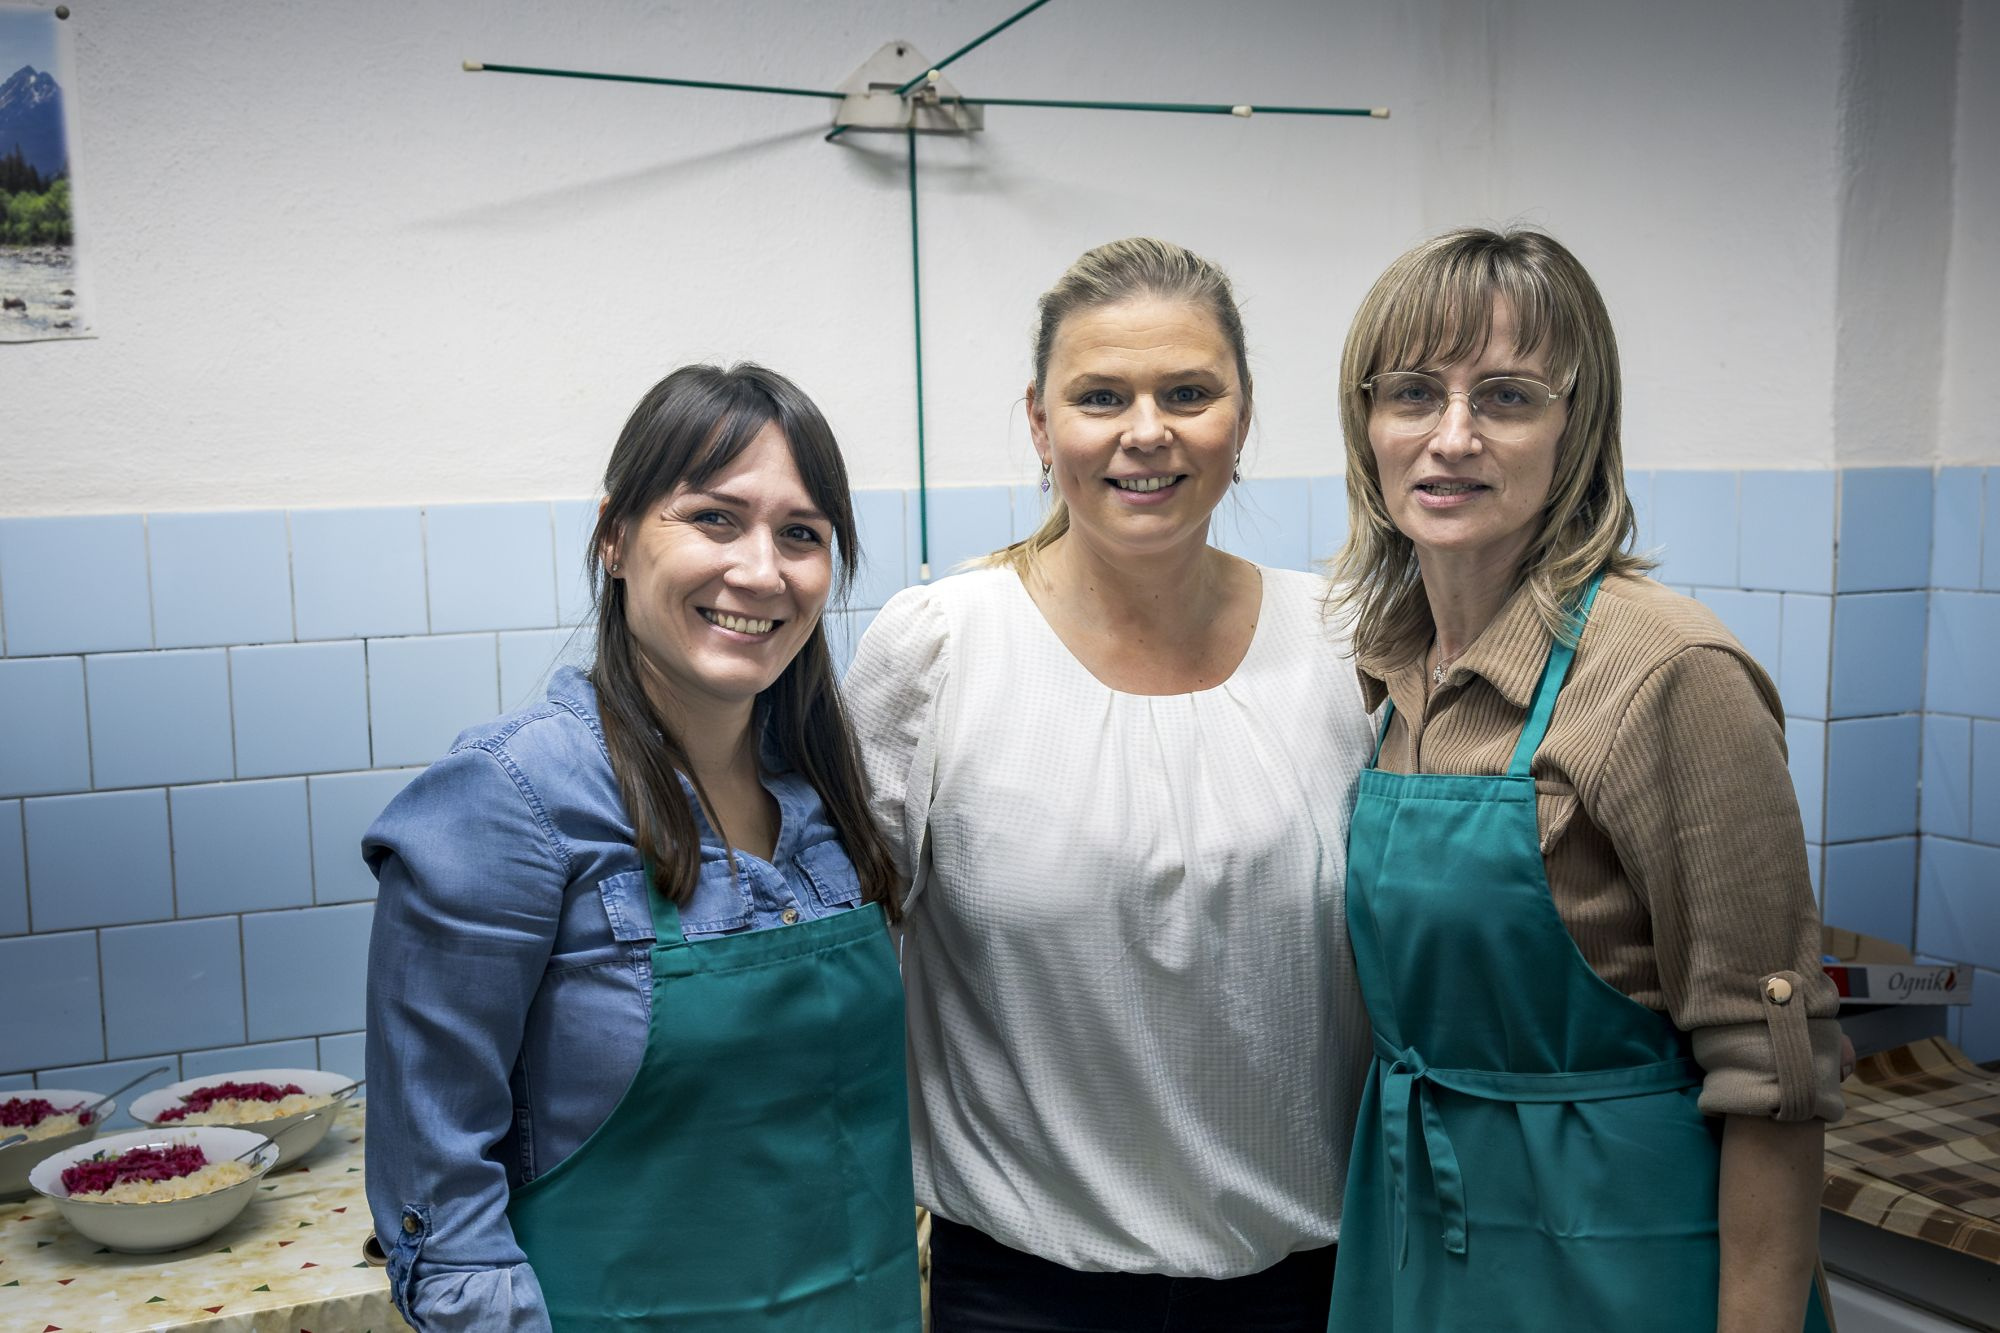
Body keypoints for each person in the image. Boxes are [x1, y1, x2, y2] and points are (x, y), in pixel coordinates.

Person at [844, 237, 1376, 1331]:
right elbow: (838, 965)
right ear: (1040, 426)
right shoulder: (938, 648)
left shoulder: (1345, 642)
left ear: (1240, 418)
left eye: (1187, 392)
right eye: (1100, 396)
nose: (1146, 430)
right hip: (1022, 1293)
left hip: (1307, 1285)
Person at [1325, 227, 1839, 1332]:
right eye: (1412, 393)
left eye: (1506, 398)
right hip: (1421, 1232)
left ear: (1577, 427)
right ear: (1366, 423)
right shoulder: (1393, 667)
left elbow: (1773, 1075)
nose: (1450, 437)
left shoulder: (1667, 670)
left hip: (1621, 1251)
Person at [362, 363, 922, 1332]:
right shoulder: (510, 799)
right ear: (614, 538)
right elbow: (443, 1217)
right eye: (714, 518)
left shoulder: (833, 796)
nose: (761, 571)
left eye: (801, 534)